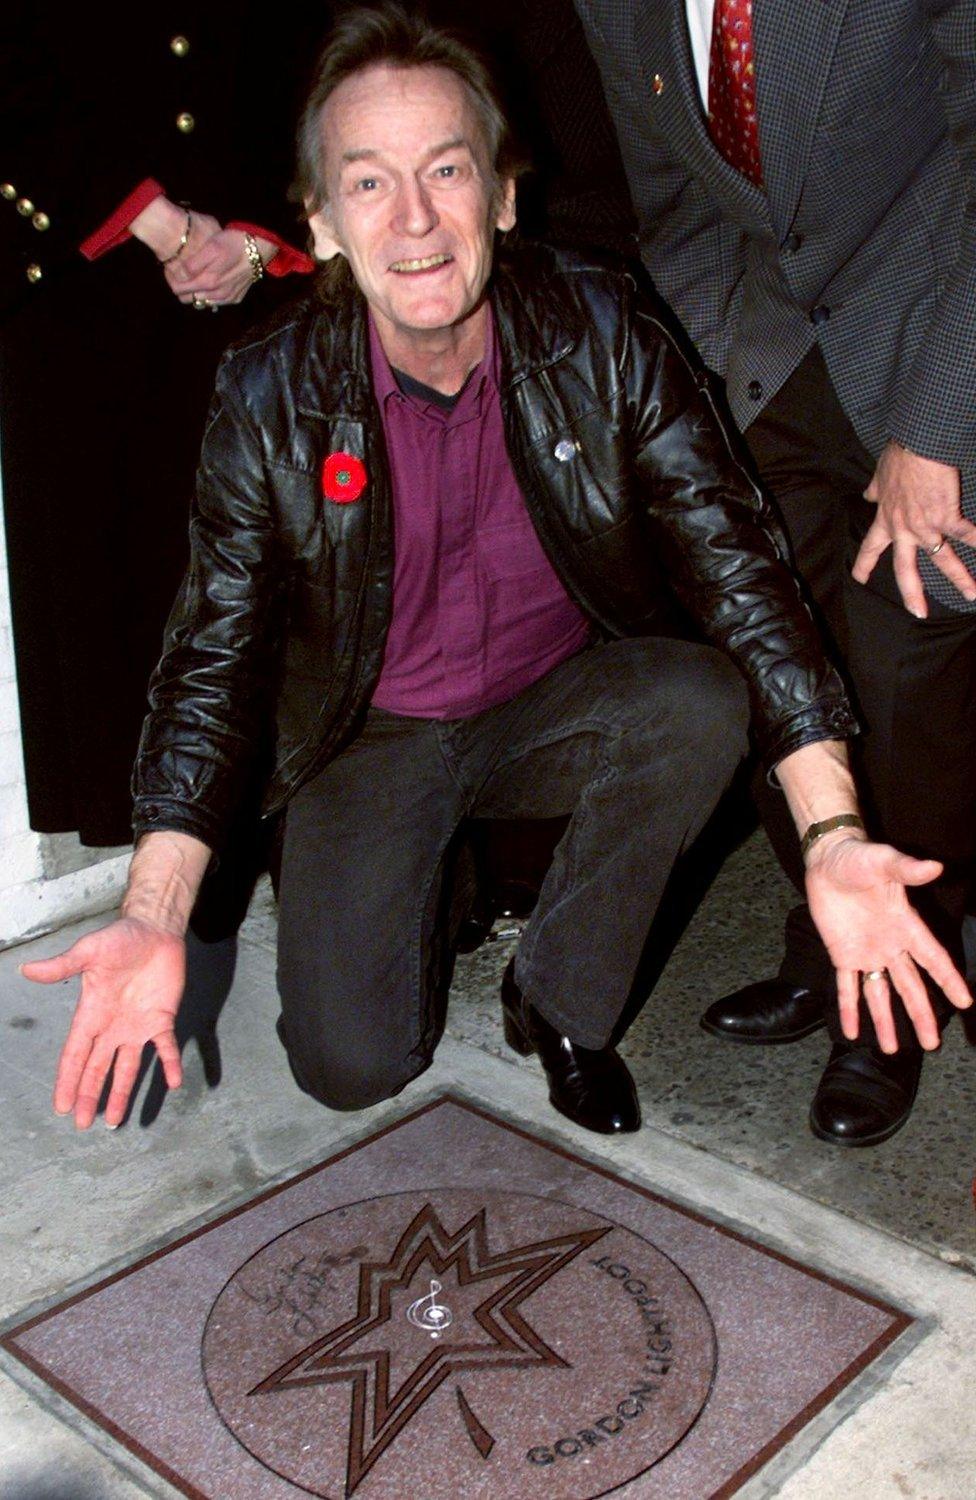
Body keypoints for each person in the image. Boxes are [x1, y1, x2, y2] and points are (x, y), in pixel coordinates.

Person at [22, 5, 971, 1140]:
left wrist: (831, 836)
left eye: (447, 171)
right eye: (368, 184)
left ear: (505, 198)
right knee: (349, 1064)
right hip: (366, 735)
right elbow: (210, 666)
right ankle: (416, 897)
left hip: (549, 707)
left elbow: (744, 580)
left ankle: (559, 1001)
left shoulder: (603, 333)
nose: (415, 219)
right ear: (320, 223)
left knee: (698, 697)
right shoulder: (267, 393)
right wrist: (154, 909)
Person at [568, 0, 976, 1145]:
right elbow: (678, 214)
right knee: (762, 651)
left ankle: (889, 1006)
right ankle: (824, 934)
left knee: (899, 670)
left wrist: (941, 425)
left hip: (945, 324)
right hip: (779, 348)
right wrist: (705, 420)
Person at [1, 7, 323, 845]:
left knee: (294, 618)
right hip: (85, 313)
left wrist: (261, 238)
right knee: (134, 639)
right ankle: (170, 896)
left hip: (257, 307)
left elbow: (323, 49)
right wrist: (158, 221)